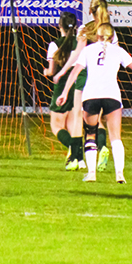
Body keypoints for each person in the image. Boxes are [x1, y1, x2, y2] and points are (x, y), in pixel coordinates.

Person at [57, 23, 132, 183]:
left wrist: (64, 92)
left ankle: (91, 174)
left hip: (91, 95)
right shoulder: (119, 50)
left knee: (90, 134)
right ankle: (119, 174)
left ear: (97, 36)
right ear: (111, 37)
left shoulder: (88, 50)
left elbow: (75, 72)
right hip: (112, 95)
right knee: (115, 136)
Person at [53, 0, 116, 171]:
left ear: (90, 11)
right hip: (103, 78)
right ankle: (102, 147)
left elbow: (77, 56)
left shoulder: (85, 29)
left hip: (84, 76)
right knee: (97, 120)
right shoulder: (111, 31)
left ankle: (75, 159)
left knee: (77, 119)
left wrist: (63, 71)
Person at [44, 11, 84, 170]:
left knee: (56, 126)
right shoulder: (82, 43)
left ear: (59, 25)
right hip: (78, 85)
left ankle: (76, 155)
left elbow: (52, 71)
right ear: (75, 27)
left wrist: (46, 72)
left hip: (62, 86)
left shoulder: (54, 44)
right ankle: (80, 160)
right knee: (73, 126)